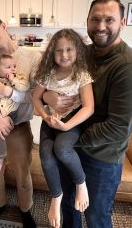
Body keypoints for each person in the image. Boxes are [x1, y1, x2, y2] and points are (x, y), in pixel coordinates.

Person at [43, 0, 132, 227]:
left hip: (101, 157)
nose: (101, 27)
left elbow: (119, 128)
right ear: (88, 21)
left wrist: (67, 139)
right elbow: (51, 81)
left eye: (109, 20)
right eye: (95, 19)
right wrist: (46, 95)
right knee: (69, 207)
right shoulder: (81, 54)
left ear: (123, 23)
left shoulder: (131, 67)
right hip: (70, 146)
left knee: (96, 217)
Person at [0, 16, 41, 228]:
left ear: (4, 27)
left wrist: (10, 92)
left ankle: (25, 209)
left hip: (20, 128)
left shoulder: (32, 58)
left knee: (23, 174)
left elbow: (35, 96)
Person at [32, 28, 94, 228]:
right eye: (59, 50)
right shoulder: (48, 73)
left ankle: (81, 182)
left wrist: (66, 125)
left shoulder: (81, 75)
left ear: (77, 51)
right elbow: (36, 97)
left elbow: (89, 107)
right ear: (52, 52)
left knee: (62, 149)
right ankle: (56, 198)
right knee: (45, 155)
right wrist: (45, 117)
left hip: (71, 121)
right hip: (50, 120)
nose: (64, 55)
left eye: (69, 49)